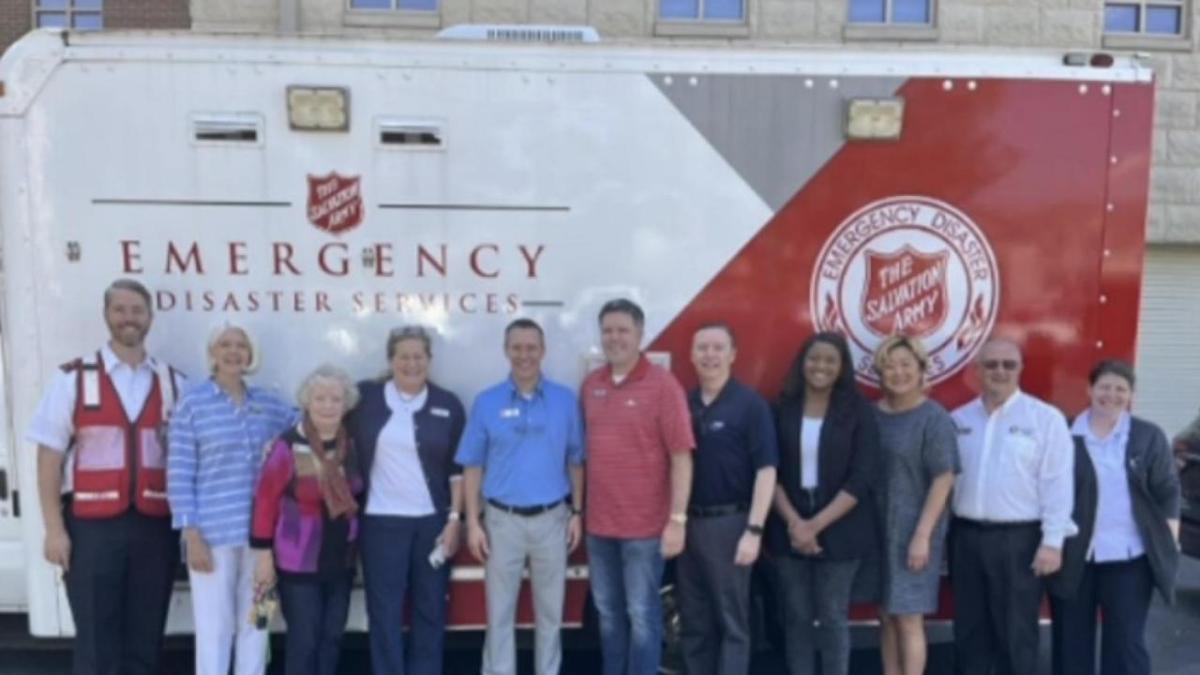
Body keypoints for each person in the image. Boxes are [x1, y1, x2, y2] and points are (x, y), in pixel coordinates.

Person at [26, 278, 186, 675]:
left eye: (137, 311)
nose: (128, 318)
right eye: (120, 310)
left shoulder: (173, 383)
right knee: (97, 640)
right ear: (106, 315)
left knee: (147, 637)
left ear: (150, 318)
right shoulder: (73, 379)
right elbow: (49, 457)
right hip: (90, 530)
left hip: (155, 525)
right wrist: (54, 529)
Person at [456, 318, 586, 675]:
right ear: (506, 350)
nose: (524, 355)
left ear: (543, 351)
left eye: (531, 348)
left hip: (552, 519)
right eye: (517, 348)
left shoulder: (564, 400)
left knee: (550, 614)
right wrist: (473, 523)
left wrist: (577, 512)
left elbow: (576, 460)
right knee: (499, 614)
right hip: (501, 521)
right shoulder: (486, 402)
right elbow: (472, 466)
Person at [167, 323, 295, 675]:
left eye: (241, 345)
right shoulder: (192, 404)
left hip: (264, 540)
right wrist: (190, 535)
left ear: (251, 355)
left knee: (259, 620)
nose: (233, 351)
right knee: (214, 629)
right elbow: (179, 472)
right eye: (225, 344)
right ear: (213, 353)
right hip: (212, 536)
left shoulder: (269, 404)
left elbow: (306, 428)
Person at [582, 298, 695, 675]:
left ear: (640, 335)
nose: (614, 338)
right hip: (599, 527)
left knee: (643, 616)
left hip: (645, 529)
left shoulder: (663, 386)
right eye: (608, 330)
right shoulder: (590, 386)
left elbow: (681, 456)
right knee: (608, 615)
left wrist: (677, 519)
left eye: (623, 330)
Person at [950, 337, 1076, 675]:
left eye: (1008, 364)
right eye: (990, 364)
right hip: (965, 538)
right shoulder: (958, 420)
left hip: (1020, 541)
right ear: (977, 370)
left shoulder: (1045, 419)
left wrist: (1053, 542)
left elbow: (1058, 484)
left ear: (1021, 369)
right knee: (969, 631)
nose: (999, 371)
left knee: (1016, 634)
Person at [346, 325, 467, 675]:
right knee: (384, 612)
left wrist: (454, 520)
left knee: (430, 610)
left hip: (431, 524)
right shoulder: (364, 398)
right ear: (390, 360)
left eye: (418, 357)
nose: (411, 364)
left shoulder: (448, 404)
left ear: (429, 360)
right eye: (403, 357)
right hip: (381, 523)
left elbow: (456, 470)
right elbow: (322, 415)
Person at [1047, 359, 1181, 675]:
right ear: (1089, 389)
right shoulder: (1063, 433)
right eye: (1104, 387)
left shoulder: (1147, 435)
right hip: (1073, 556)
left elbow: (1167, 488)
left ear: (1131, 394)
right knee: (1070, 642)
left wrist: (1168, 536)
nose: (1112, 395)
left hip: (1130, 558)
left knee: (1126, 643)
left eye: (1121, 389)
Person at [768, 331, 881, 675]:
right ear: (803, 363)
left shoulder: (859, 411)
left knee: (833, 616)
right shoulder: (782, 407)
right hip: (788, 525)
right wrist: (795, 523)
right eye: (814, 358)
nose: (821, 366)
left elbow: (862, 477)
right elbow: (768, 470)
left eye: (830, 360)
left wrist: (813, 526)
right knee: (797, 617)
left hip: (842, 528)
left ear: (842, 367)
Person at [677, 322, 777, 675]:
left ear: (733, 355)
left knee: (732, 622)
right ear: (691, 355)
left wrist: (754, 529)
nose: (710, 355)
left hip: (731, 524)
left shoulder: (750, 405)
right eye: (702, 348)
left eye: (718, 348)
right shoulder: (682, 402)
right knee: (694, 620)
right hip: (686, 524)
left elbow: (766, 471)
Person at [251, 365, 364, 675]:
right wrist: (262, 554)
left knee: (331, 639)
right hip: (298, 561)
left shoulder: (350, 446)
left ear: (346, 405)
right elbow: (265, 500)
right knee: (305, 641)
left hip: (341, 560)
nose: (328, 405)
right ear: (307, 403)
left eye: (335, 399)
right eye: (320, 398)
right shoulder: (287, 446)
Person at [872, 336, 958, 675]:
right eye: (890, 366)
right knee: (885, 614)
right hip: (875, 529)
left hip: (915, 531)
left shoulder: (933, 418)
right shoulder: (871, 415)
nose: (898, 372)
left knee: (909, 616)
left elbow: (944, 477)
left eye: (907, 365)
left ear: (922, 370)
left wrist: (922, 535)